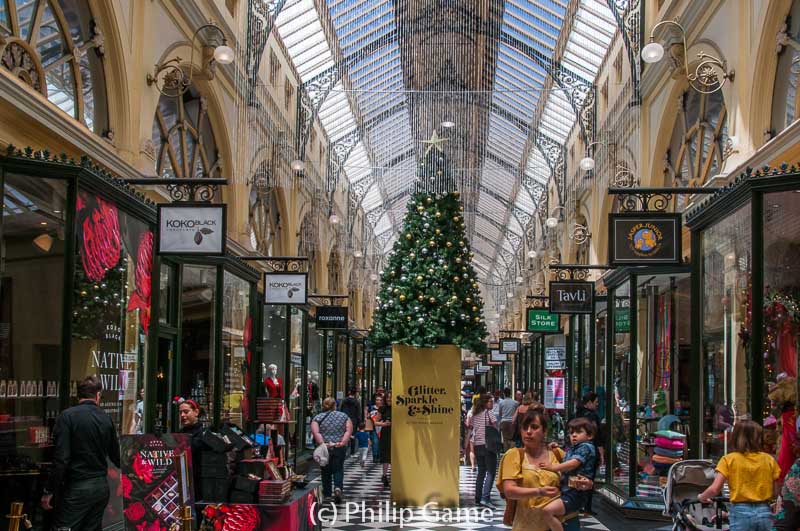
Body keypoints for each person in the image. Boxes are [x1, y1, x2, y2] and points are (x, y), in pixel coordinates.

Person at [41, 376, 121, 531]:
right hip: (100, 486)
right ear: (98, 395)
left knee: (64, 527)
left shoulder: (67, 417)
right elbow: (116, 456)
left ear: (77, 395)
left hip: (78, 486)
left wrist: (49, 489)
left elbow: (61, 459)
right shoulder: (106, 418)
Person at [497, 408, 591, 531]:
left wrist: (587, 483)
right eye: (525, 428)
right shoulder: (514, 455)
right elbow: (509, 490)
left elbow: (580, 475)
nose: (528, 432)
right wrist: (539, 491)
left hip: (562, 523)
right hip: (528, 525)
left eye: (534, 427)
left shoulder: (557, 454)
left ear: (544, 431)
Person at [698, 419, 780, 531]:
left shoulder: (729, 460)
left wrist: (702, 497)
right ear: (758, 438)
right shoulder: (769, 459)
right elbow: (776, 492)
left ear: (735, 437)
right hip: (764, 511)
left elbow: (714, 489)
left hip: (740, 512)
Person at [538, 418, 597, 531]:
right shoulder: (574, 448)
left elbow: (573, 463)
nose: (574, 435)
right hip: (568, 491)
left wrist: (552, 467)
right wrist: (556, 449)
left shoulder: (586, 447)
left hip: (575, 492)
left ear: (589, 436)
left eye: (578, 432)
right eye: (571, 432)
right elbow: (567, 458)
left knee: (548, 511)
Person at [311, 397, 352, 504]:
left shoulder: (317, 418)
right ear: (335, 405)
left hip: (325, 447)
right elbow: (348, 430)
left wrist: (322, 443)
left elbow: (316, 433)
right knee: (338, 468)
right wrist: (342, 442)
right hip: (339, 446)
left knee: (325, 470)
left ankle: (327, 492)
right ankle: (338, 488)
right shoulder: (344, 416)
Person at [466, 393, 499, 509]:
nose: (492, 403)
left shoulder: (474, 415)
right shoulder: (489, 413)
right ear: (485, 403)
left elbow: (470, 430)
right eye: (490, 401)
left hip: (477, 445)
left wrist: (465, 445)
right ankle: (485, 498)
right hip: (488, 446)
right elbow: (496, 428)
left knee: (481, 472)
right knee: (491, 472)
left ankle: (478, 498)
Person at [574, 391, 604, 514]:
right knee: (588, 477)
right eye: (596, 402)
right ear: (589, 403)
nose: (597, 405)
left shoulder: (577, 414)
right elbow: (597, 436)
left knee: (579, 475)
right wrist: (601, 452)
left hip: (578, 449)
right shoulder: (592, 416)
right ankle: (586, 506)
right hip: (590, 449)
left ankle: (578, 504)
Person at [177, 398, 205, 500]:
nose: (182, 416)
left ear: (196, 412)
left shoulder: (202, 432)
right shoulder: (180, 433)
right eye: (180, 413)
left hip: (197, 480)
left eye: (186, 412)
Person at [375, 392, 392, 487]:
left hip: (396, 433)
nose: (389, 399)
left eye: (391, 397)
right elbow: (376, 422)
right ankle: (384, 475)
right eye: (388, 397)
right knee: (386, 455)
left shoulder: (398, 408)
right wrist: (384, 424)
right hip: (386, 433)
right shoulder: (382, 409)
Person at [340, 388, 362, 456]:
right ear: (355, 393)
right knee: (352, 436)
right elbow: (358, 413)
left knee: (345, 435)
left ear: (349, 392)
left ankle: (345, 450)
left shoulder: (344, 401)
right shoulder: (356, 402)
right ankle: (352, 452)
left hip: (344, 419)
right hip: (353, 420)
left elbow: (341, 409)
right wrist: (359, 423)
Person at [499, 387, 520, 451]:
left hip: (504, 422)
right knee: (512, 439)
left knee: (505, 440)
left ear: (504, 394)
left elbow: (500, 413)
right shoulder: (515, 403)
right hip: (512, 422)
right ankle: (511, 453)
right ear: (510, 394)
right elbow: (517, 413)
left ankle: (506, 453)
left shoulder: (501, 403)